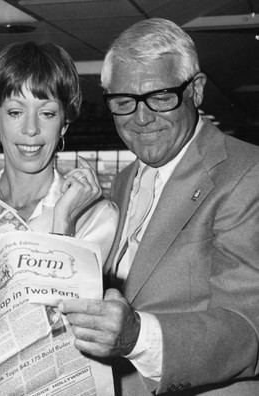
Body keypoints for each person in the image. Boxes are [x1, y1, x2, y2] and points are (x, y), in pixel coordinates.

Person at [58, 18, 259, 395]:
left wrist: (137, 336)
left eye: (161, 97)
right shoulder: (122, 182)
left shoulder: (248, 174)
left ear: (196, 91)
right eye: (123, 102)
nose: (142, 117)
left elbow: (248, 328)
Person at [0, 41, 118, 287]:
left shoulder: (96, 216)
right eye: (15, 112)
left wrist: (63, 223)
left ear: (64, 124)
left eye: (47, 113)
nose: (31, 129)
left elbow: (63, 315)